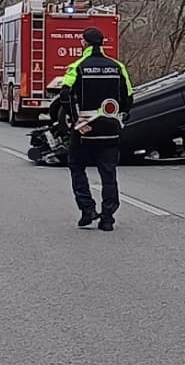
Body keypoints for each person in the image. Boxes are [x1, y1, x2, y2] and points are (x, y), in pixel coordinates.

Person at [53, 27, 134, 232]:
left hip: (84, 130)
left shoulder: (77, 67)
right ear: (102, 43)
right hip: (110, 128)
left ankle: (87, 209)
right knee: (109, 173)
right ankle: (107, 218)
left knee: (76, 166)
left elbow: (65, 95)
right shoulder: (118, 67)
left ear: (84, 43)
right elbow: (129, 97)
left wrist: (75, 120)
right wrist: (119, 115)